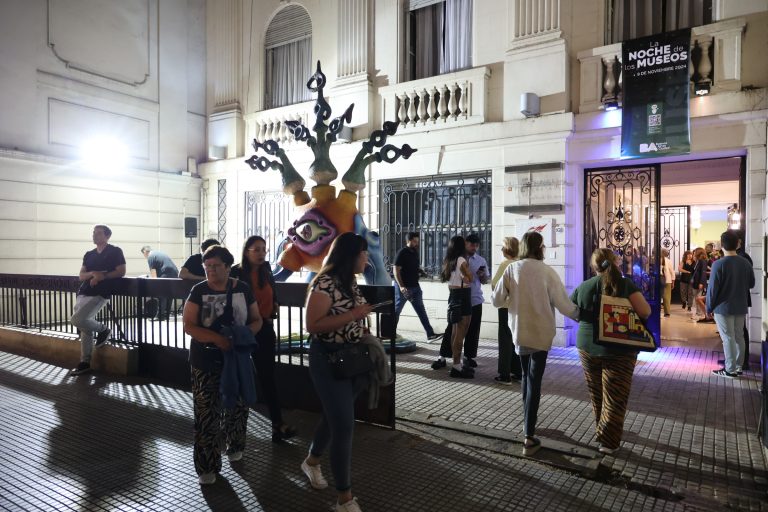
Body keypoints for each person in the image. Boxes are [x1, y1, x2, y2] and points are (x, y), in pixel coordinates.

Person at [301, 232, 373, 512]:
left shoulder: (349, 281)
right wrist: (354, 315)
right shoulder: (324, 283)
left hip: (351, 359)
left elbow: (347, 317)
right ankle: (344, 498)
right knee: (343, 424)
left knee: (336, 417)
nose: (366, 257)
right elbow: (313, 325)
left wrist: (361, 330)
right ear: (350, 255)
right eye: (363, 253)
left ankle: (312, 461)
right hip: (328, 360)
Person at [491, 231, 579, 456]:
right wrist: (581, 315)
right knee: (534, 381)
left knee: (525, 378)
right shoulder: (547, 272)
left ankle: (527, 424)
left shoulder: (512, 269)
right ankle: (529, 436)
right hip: (541, 334)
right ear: (540, 248)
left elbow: (497, 300)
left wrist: (514, 299)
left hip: (520, 332)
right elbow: (564, 304)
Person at [183, 245, 263, 485]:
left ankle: (235, 444)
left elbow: (257, 320)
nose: (211, 270)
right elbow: (189, 325)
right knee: (206, 412)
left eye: (216, 266)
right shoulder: (198, 291)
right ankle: (206, 466)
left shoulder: (243, 289)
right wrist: (217, 339)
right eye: (207, 266)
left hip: (236, 357)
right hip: (205, 359)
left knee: (238, 406)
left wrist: (242, 335)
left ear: (228, 267)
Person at [570, 248, 651, 455]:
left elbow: (572, 312)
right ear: (615, 262)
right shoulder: (625, 285)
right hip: (620, 347)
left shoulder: (584, 286)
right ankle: (608, 441)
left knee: (596, 393)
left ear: (594, 266)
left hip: (587, 346)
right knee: (615, 395)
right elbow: (645, 311)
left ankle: (603, 430)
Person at [230, 236, 297, 443]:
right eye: (256, 249)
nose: (261, 253)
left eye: (263, 249)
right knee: (238, 375)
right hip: (242, 330)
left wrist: (274, 305)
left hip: (265, 328)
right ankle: (233, 428)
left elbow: (272, 294)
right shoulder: (236, 272)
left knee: (267, 376)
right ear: (246, 251)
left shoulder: (266, 271)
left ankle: (278, 425)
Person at [69, 225, 127, 376]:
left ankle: (104, 329)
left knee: (77, 320)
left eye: (98, 233)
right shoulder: (89, 254)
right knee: (85, 327)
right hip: (83, 292)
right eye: (93, 233)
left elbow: (121, 271)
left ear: (107, 236)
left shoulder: (115, 251)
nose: (94, 235)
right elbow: (81, 276)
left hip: (101, 293)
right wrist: (94, 274)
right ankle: (85, 362)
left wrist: (103, 276)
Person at [707, 230, 755, 378]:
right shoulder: (745, 262)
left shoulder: (718, 264)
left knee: (728, 338)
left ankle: (730, 369)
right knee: (739, 337)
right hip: (740, 305)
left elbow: (712, 289)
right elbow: (752, 284)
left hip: (723, 307)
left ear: (722, 245)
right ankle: (739, 367)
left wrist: (709, 307)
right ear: (737, 244)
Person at [431, 236, 474, 378]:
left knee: (455, 331)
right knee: (460, 332)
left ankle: (457, 365)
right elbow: (470, 278)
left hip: (453, 295)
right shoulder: (462, 260)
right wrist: (468, 275)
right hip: (463, 296)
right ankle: (456, 366)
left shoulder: (449, 260)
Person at [392, 232, 442, 342]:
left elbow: (413, 267)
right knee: (396, 311)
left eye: (417, 241)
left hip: (415, 287)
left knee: (421, 311)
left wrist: (421, 272)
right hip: (404, 289)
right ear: (408, 241)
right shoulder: (402, 252)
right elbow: (396, 270)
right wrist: (401, 287)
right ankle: (390, 334)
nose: (417, 243)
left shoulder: (414, 252)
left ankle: (430, 335)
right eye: (414, 241)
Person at [491, 237, 522, 384]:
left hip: (505, 306)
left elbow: (495, 284)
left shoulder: (505, 264)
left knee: (505, 340)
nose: (501, 249)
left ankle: (504, 375)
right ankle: (518, 372)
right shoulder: (521, 263)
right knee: (516, 339)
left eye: (503, 247)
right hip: (519, 306)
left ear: (508, 249)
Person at [461, 233, 490, 368]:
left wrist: (482, 275)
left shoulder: (481, 260)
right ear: (466, 244)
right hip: (460, 299)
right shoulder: (459, 259)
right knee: (454, 329)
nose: (474, 248)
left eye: (477, 245)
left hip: (476, 299)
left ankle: (469, 356)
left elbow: (485, 281)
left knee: (473, 330)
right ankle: (443, 356)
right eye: (472, 245)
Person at [141, 246, 179, 321]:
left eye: (144, 255)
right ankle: (166, 315)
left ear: (145, 252)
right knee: (169, 294)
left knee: (161, 294)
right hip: (175, 272)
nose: (145, 257)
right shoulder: (158, 253)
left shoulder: (150, 256)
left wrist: (155, 285)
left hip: (166, 272)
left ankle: (160, 316)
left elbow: (153, 272)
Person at [691, 247, 714, 323]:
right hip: (695, 282)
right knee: (696, 298)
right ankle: (699, 313)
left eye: (695, 252)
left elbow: (703, 273)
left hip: (699, 282)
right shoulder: (698, 261)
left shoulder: (703, 261)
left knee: (698, 298)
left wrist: (701, 282)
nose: (694, 253)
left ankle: (700, 313)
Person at [660, 249, 675, 317]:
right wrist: (673, 281)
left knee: (658, 297)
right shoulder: (668, 261)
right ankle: (667, 312)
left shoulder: (655, 260)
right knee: (667, 297)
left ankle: (657, 312)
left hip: (658, 280)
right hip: (667, 280)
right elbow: (672, 271)